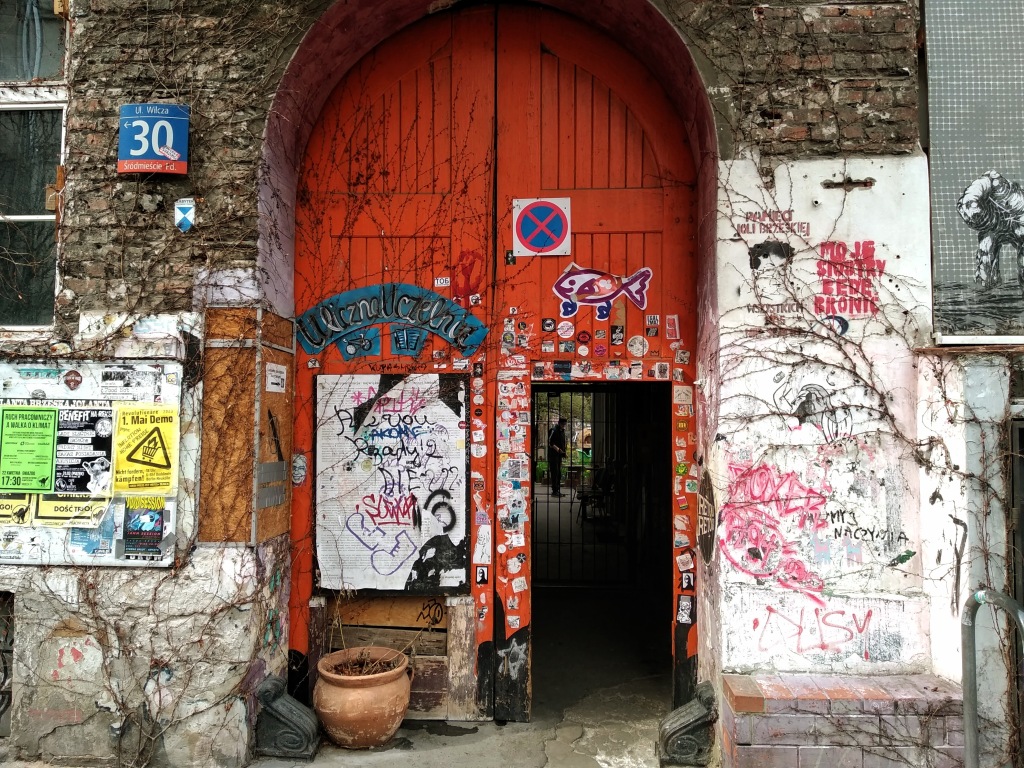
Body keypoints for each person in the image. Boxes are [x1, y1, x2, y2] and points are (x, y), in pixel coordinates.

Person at [548, 417, 568, 496]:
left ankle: (557, 489)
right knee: (555, 472)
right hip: (553, 455)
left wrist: (563, 452)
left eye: (565, 424)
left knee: (558, 473)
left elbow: (562, 443)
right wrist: (558, 449)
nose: (564, 426)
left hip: (559, 455)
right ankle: (554, 490)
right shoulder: (554, 430)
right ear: (559, 423)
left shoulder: (562, 431)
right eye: (563, 424)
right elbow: (550, 442)